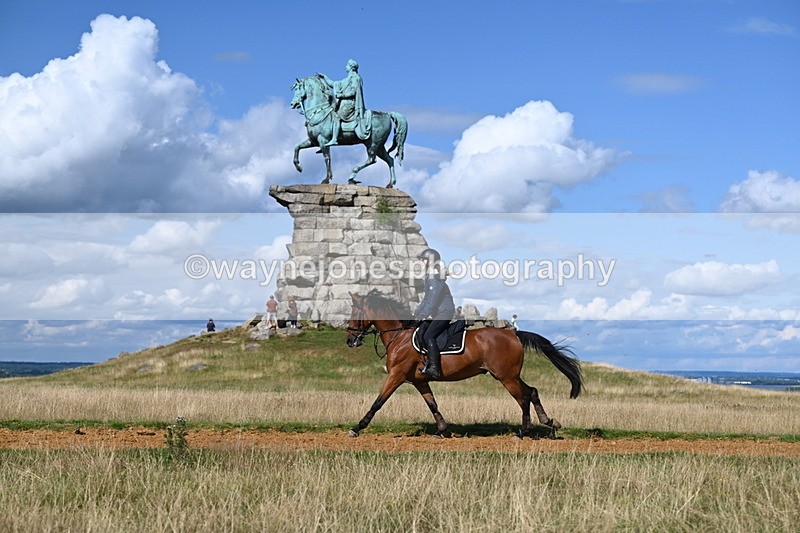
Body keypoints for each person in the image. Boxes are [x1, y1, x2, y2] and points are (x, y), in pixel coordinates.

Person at [412, 248, 455, 379]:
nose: (420, 261)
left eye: (423, 259)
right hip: (440, 313)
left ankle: (434, 368)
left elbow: (431, 302)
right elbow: (426, 300)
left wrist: (420, 316)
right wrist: (416, 314)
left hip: (444, 313)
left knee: (428, 336)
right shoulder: (430, 277)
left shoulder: (433, 278)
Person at [317, 59, 365, 147]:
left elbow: (353, 92)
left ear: (351, 67)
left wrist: (342, 95)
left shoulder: (355, 78)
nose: (345, 67)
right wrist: (324, 77)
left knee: (336, 116)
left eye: (347, 65)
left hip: (349, 104)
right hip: (343, 103)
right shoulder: (346, 80)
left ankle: (334, 139)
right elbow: (333, 84)